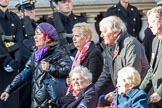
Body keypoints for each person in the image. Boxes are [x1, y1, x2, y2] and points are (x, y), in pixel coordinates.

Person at [0, 23, 72, 108]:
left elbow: (69, 69)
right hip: (37, 101)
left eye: (38, 34)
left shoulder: (58, 53)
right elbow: (23, 75)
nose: (35, 37)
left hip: (52, 102)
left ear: (47, 37)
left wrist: (51, 68)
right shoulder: (36, 55)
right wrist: (9, 89)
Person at [95, 16, 149, 96]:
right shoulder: (110, 46)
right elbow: (106, 74)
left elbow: (132, 75)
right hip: (123, 93)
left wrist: (115, 93)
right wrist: (92, 93)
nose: (101, 35)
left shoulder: (131, 44)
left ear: (115, 33)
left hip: (137, 96)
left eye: (104, 32)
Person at [0, 0, 23, 108]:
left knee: (12, 101)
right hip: (2, 64)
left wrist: (16, 61)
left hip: (12, 66)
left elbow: (20, 42)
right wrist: (6, 61)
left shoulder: (14, 18)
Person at [15, 1, 37, 108]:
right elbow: (20, 46)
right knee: (25, 98)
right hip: (26, 66)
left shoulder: (36, 25)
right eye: (28, 11)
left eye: (33, 10)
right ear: (20, 13)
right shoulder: (20, 27)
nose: (32, 12)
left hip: (37, 68)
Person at [140, 6, 162, 108]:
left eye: (152, 22)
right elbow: (152, 70)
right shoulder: (155, 41)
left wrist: (160, 92)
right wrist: (139, 91)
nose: (149, 26)